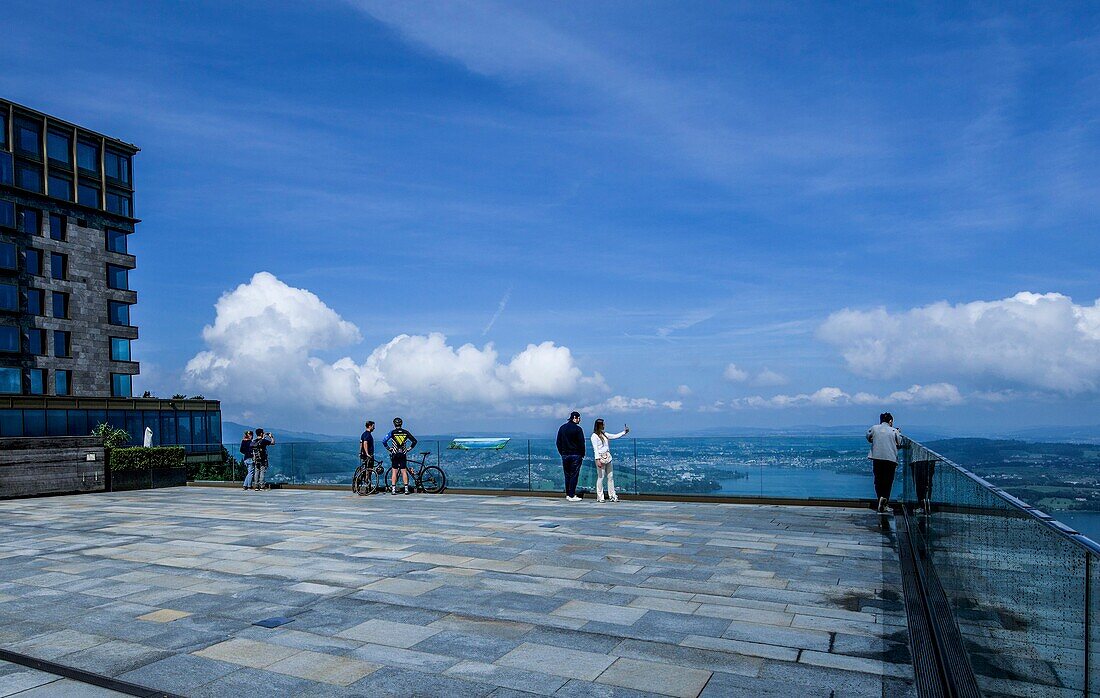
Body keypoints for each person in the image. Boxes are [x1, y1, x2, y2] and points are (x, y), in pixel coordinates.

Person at [867, 412, 903, 512]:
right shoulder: (894, 431)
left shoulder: (874, 428)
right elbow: (900, 443)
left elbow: (868, 437)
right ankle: (885, 501)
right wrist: (898, 432)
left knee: (878, 480)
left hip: (877, 458)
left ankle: (880, 499)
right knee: (888, 481)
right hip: (890, 459)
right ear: (890, 421)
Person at [590, 419, 629, 503]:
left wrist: (624, 432)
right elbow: (595, 449)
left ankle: (612, 495)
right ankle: (600, 496)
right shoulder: (594, 436)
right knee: (601, 477)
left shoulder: (605, 434)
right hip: (601, 457)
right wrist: (597, 460)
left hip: (607, 457)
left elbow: (614, 436)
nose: (604, 426)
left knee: (610, 477)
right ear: (599, 425)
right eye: (603, 424)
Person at [556, 411, 586, 502]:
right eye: (579, 418)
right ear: (575, 418)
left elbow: (558, 442)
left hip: (565, 454)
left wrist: (562, 453)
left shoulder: (562, 428)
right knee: (574, 475)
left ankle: (568, 494)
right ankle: (572, 494)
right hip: (576, 454)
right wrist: (582, 454)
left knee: (567, 475)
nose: (579, 420)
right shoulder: (578, 429)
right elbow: (581, 443)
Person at [383, 417, 417, 495]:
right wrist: (409, 449)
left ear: (394, 424)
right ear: (401, 424)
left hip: (395, 454)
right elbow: (414, 441)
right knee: (404, 471)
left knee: (394, 472)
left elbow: (384, 441)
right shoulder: (406, 432)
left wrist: (389, 448)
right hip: (403, 454)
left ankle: (393, 490)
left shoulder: (392, 432)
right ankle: (406, 489)